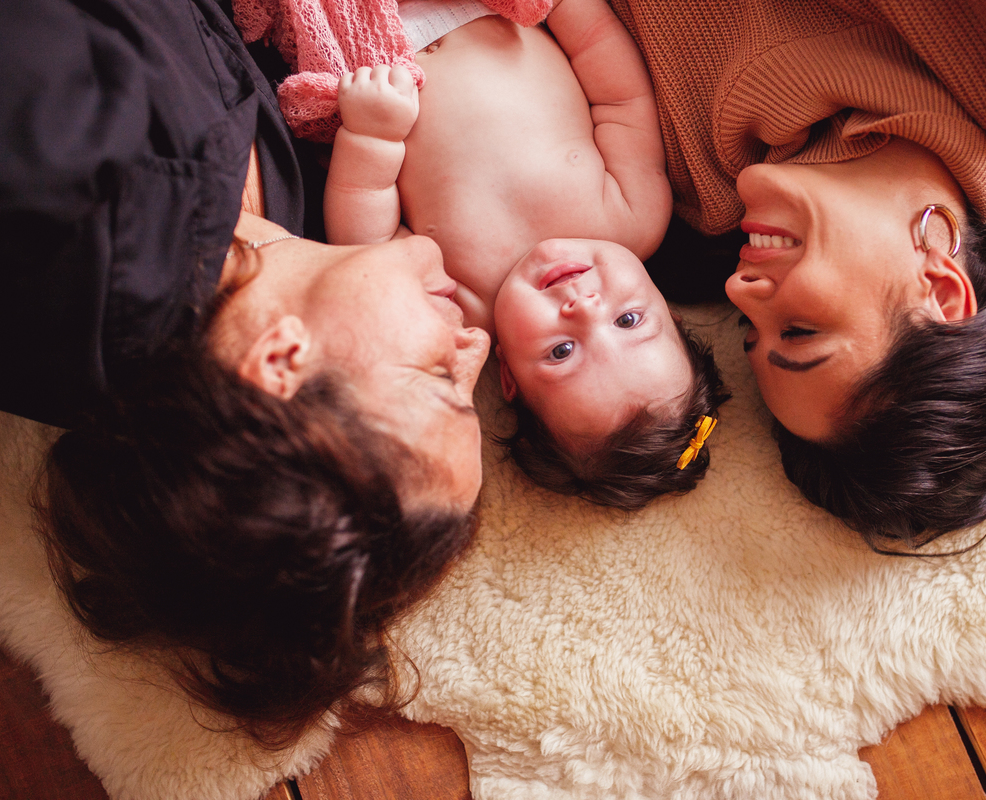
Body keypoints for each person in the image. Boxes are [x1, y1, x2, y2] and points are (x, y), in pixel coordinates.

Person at [0, 0, 488, 747]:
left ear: (280, 365)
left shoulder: (58, 185)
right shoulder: (291, 229)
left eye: (441, 379)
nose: (476, 345)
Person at [606, 0, 986, 548]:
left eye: (750, 331)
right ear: (940, 288)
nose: (739, 289)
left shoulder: (677, 202)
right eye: (800, 331)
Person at [309, 0, 729, 508]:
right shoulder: (636, 215)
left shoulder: (461, 308)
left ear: (507, 373)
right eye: (629, 319)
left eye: (561, 352)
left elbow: (367, 247)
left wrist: (369, 136)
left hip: (364, 52)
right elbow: (620, 95)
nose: (584, 308)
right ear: (668, 307)